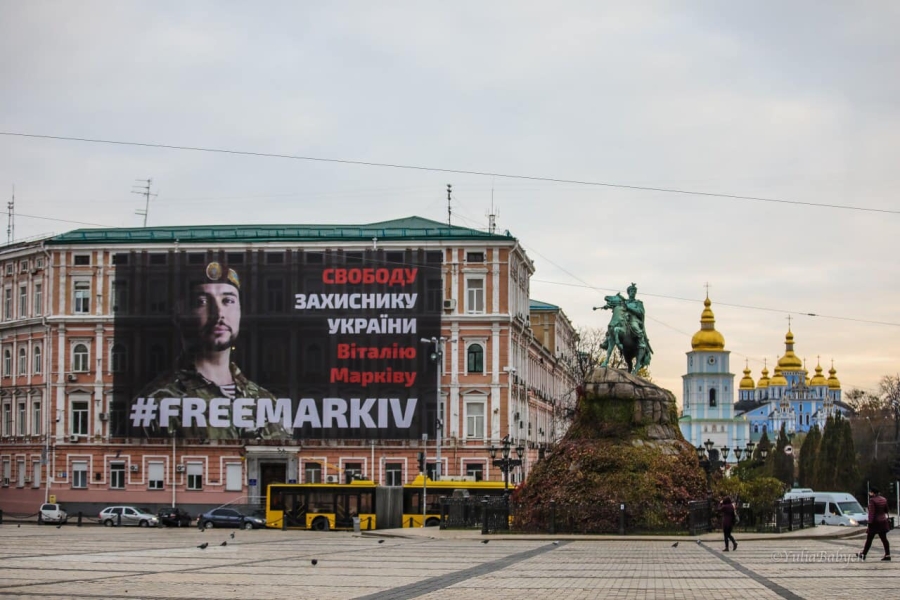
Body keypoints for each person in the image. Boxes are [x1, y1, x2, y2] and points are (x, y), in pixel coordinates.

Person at [135, 261, 287, 440]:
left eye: (228, 300)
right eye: (202, 301)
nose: (218, 313)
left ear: (240, 312)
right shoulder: (155, 402)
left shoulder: (266, 400)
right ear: (179, 314)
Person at [857, 488, 891, 561]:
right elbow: (886, 510)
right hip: (883, 521)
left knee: (869, 539)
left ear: (873, 493)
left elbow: (871, 513)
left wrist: (869, 522)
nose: (869, 494)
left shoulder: (872, 500)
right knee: (884, 539)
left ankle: (863, 554)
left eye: (870, 492)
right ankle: (888, 554)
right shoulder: (884, 499)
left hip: (875, 523)